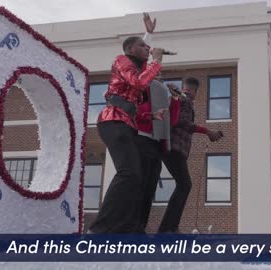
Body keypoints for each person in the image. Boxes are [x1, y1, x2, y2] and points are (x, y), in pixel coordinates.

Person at [88, 29, 166, 233]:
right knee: (129, 172)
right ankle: (99, 229)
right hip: (112, 121)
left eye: (148, 47)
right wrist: (156, 61)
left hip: (125, 124)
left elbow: (131, 107)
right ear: (130, 49)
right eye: (143, 46)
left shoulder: (134, 68)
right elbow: (139, 82)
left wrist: (151, 116)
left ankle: (128, 227)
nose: (147, 49)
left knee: (136, 176)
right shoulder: (121, 60)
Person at [158, 77, 223, 233]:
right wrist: (208, 131)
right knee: (185, 185)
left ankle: (168, 228)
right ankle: (169, 229)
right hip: (175, 148)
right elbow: (183, 122)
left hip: (169, 148)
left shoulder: (179, 98)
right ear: (195, 91)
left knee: (183, 185)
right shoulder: (185, 99)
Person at [135, 13, 181, 232]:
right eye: (157, 76)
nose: (160, 78)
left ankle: (140, 228)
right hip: (141, 139)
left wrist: (176, 99)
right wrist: (149, 36)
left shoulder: (161, 91)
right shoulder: (142, 83)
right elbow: (141, 63)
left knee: (149, 187)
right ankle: (129, 228)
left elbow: (171, 120)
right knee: (139, 184)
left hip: (155, 143)